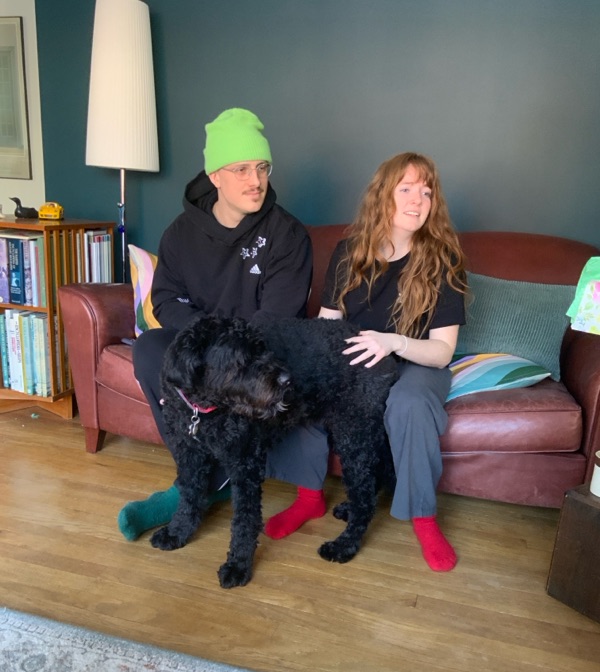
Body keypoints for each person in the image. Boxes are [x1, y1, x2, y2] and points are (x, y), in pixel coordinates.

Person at [264, 152, 467, 571]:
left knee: (410, 404)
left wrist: (394, 343)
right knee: (305, 385)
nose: (417, 200)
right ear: (383, 195)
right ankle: (309, 497)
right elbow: (327, 324)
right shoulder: (349, 251)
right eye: (406, 189)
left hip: (416, 362)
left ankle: (424, 519)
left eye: (426, 192)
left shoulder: (444, 260)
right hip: (356, 363)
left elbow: (442, 351)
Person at [118, 108, 313, 541]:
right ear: (215, 176)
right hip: (207, 349)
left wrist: (224, 351)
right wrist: (206, 342)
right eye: (241, 169)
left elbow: (276, 320)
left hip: (259, 357)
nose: (255, 180)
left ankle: (196, 488)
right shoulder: (180, 234)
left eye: (262, 167)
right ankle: (199, 472)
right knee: (151, 348)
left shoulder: (287, 235)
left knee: (246, 369)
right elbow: (165, 298)